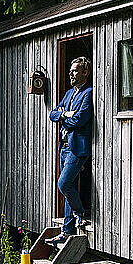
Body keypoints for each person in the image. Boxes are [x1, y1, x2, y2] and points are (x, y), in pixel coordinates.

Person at [46, 56, 93, 244]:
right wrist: (65, 113)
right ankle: (66, 231)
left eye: (75, 70)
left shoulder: (88, 93)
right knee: (69, 186)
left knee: (64, 184)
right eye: (71, 70)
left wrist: (65, 117)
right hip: (63, 147)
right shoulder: (68, 94)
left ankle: (79, 213)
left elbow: (81, 119)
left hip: (77, 148)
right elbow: (53, 114)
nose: (71, 73)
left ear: (85, 72)